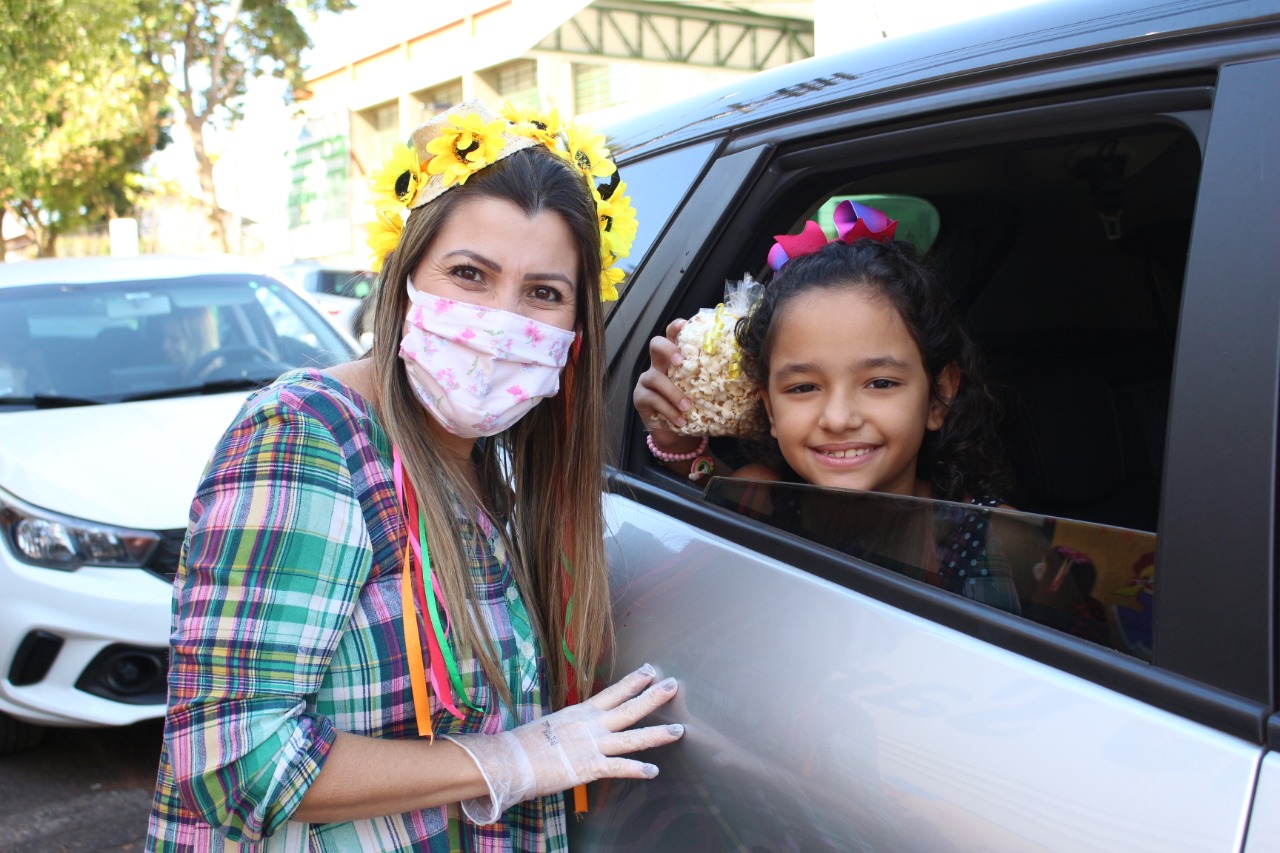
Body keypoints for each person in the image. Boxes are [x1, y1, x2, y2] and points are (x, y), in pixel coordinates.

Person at [147, 99, 680, 852]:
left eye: (542, 293)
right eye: (470, 274)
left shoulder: (492, 461)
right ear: (405, 283)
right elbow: (234, 758)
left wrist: (684, 446)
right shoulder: (307, 435)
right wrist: (516, 757)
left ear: (575, 328)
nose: (501, 324)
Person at [634, 201, 1019, 611]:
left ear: (939, 396)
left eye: (881, 382)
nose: (838, 418)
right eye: (803, 388)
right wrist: (678, 443)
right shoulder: (757, 499)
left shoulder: (996, 536)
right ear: (769, 409)